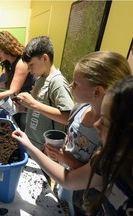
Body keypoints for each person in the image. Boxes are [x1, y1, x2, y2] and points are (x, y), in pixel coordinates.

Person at [12, 75, 133, 215]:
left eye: (105, 121)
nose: (96, 124)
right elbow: (69, 180)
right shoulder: (107, 160)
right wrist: (29, 146)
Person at [44, 51, 132, 215]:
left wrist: (71, 162)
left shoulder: (111, 138)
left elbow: (97, 178)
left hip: (84, 200)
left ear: (97, 91)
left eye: (76, 83)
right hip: (65, 190)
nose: (70, 86)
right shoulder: (78, 109)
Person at [16, 36, 74, 150]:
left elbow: (68, 117)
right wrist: (26, 107)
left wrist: (33, 104)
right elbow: (41, 109)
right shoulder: (40, 78)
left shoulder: (57, 82)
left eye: (31, 64)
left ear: (45, 58)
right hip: (32, 143)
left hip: (45, 149)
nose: (29, 70)